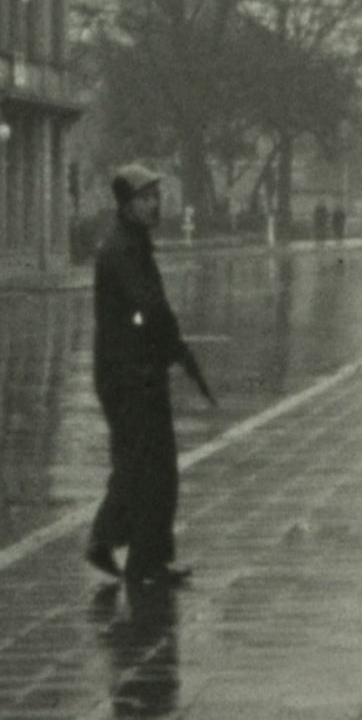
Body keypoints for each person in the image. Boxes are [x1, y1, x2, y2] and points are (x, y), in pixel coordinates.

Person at [86, 164, 208, 587]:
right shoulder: (122, 250)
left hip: (138, 369)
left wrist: (168, 347)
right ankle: (132, 555)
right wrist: (174, 346)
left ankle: (129, 552)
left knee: (147, 465)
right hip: (128, 374)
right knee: (147, 467)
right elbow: (147, 308)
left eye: (156, 196)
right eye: (145, 198)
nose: (155, 204)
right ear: (127, 205)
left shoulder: (133, 244)